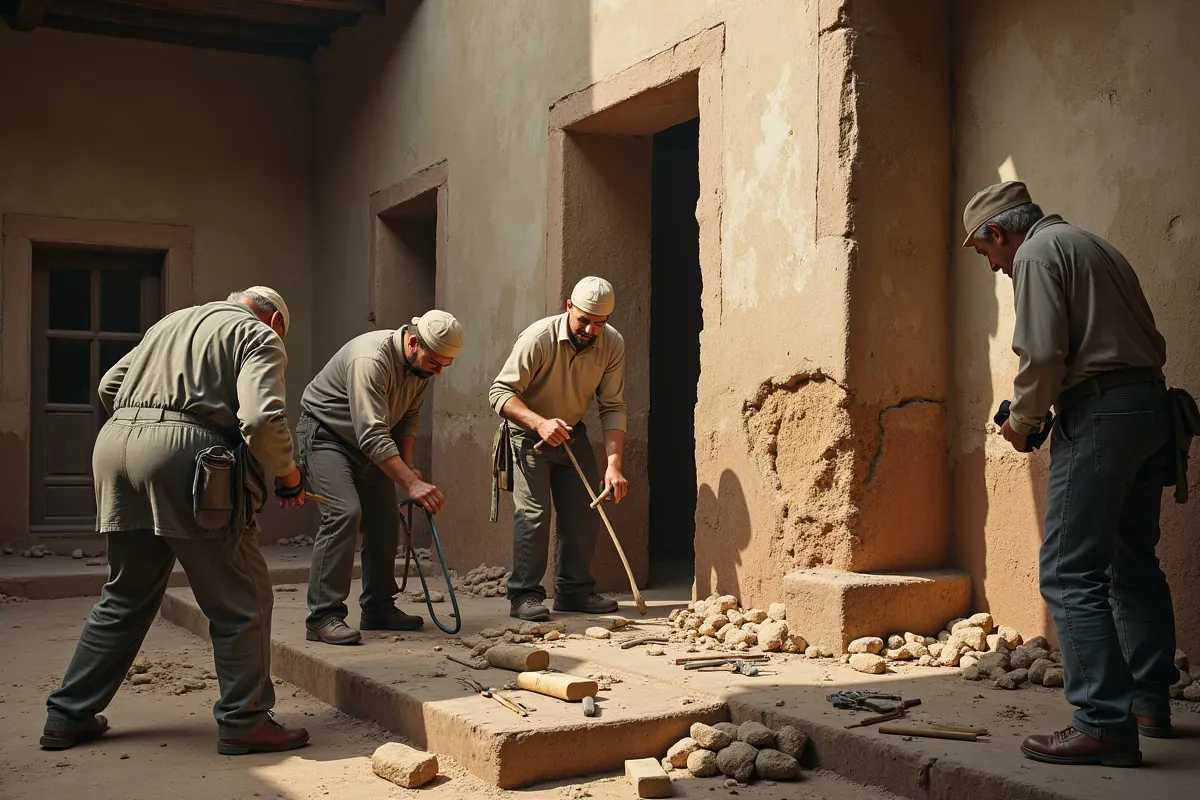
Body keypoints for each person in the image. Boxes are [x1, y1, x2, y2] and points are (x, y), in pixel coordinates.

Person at [41, 287, 310, 756]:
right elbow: (263, 419)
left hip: (117, 446)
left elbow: (109, 385)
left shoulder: (169, 324)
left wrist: (145, 426)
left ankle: (68, 715)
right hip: (185, 457)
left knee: (125, 594)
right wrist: (288, 474)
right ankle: (245, 721)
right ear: (276, 322)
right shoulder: (258, 336)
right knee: (241, 598)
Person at [963, 182, 1177, 767]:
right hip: (1148, 407)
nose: (994, 266)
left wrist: (1024, 420)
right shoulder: (1091, 244)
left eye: (987, 254)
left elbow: (1042, 354)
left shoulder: (1034, 253)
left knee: (1067, 570)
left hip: (1102, 414)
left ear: (999, 235)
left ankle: (1102, 723)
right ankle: (1147, 703)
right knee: (1133, 560)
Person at [299, 311, 462, 645]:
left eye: (446, 364)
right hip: (326, 436)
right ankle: (323, 616)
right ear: (413, 342)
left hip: (371, 444)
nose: (439, 371)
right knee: (344, 512)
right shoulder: (371, 358)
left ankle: (377, 608)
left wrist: (408, 466)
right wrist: (410, 483)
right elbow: (372, 434)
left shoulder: (420, 365)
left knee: (386, 521)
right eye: (436, 363)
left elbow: (408, 418)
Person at [489, 276, 629, 622]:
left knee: (584, 510)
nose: (590, 329)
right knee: (534, 514)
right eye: (584, 320)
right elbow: (499, 394)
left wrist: (615, 465)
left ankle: (574, 591)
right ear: (569, 307)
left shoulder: (612, 344)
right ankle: (524, 595)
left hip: (570, 434)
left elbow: (612, 407)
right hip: (527, 432)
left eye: (600, 323)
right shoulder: (538, 338)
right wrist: (538, 423)